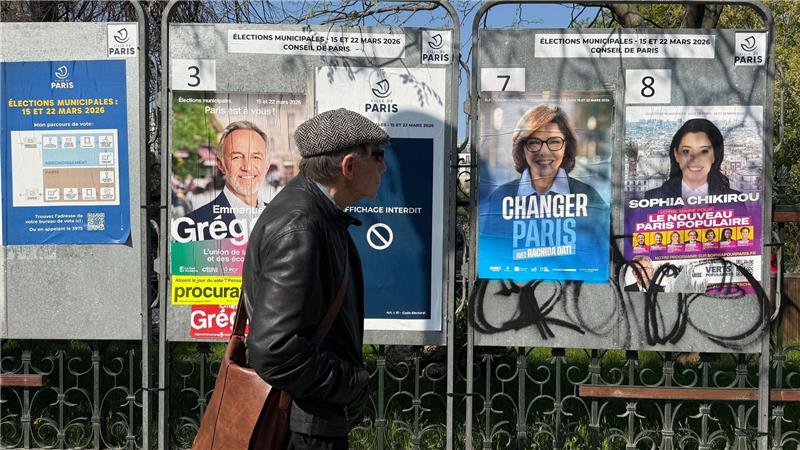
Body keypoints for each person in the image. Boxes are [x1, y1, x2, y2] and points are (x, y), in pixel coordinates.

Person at [242, 109, 389, 450]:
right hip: (303, 430)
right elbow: (274, 349)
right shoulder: (302, 225)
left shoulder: (316, 215)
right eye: (377, 156)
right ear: (348, 166)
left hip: (309, 419)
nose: (383, 166)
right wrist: (350, 381)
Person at [174, 121, 269, 241]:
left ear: (267, 165)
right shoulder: (191, 227)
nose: (247, 167)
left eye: (256, 157)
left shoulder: (285, 219)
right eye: (237, 157)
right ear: (221, 164)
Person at [644, 118, 740, 201]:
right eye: (686, 151)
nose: (695, 159)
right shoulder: (653, 198)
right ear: (676, 154)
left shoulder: (734, 199)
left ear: (715, 155)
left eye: (704, 151)